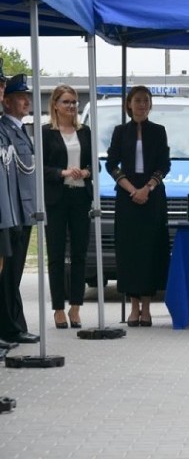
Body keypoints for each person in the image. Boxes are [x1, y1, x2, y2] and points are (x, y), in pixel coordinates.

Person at [105, 85, 170, 327]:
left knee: (150, 250)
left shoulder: (159, 131)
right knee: (130, 251)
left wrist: (148, 187)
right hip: (128, 197)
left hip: (152, 197)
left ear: (150, 105)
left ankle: (146, 306)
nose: (142, 105)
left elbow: (165, 164)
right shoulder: (120, 132)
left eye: (146, 101)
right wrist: (132, 189)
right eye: (138, 101)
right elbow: (111, 164)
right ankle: (133, 307)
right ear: (129, 105)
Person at [42, 85, 93, 329]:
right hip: (57, 199)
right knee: (56, 255)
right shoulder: (46, 133)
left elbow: (95, 165)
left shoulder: (85, 132)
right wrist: (62, 172)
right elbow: (40, 169)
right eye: (66, 102)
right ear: (55, 105)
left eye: (74, 102)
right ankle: (59, 308)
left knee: (80, 253)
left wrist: (86, 171)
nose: (72, 106)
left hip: (80, 196)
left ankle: (75, 307)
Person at [0, 72, 39, 344]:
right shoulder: (5, 128)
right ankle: (11, 326)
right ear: (7, 102)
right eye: (20, 97)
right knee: (9, 274)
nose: (26, 101)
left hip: (22, 211)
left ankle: (15, 324)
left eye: (26, 96)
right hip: (12, 210)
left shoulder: (20, 129)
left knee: (14, 274)